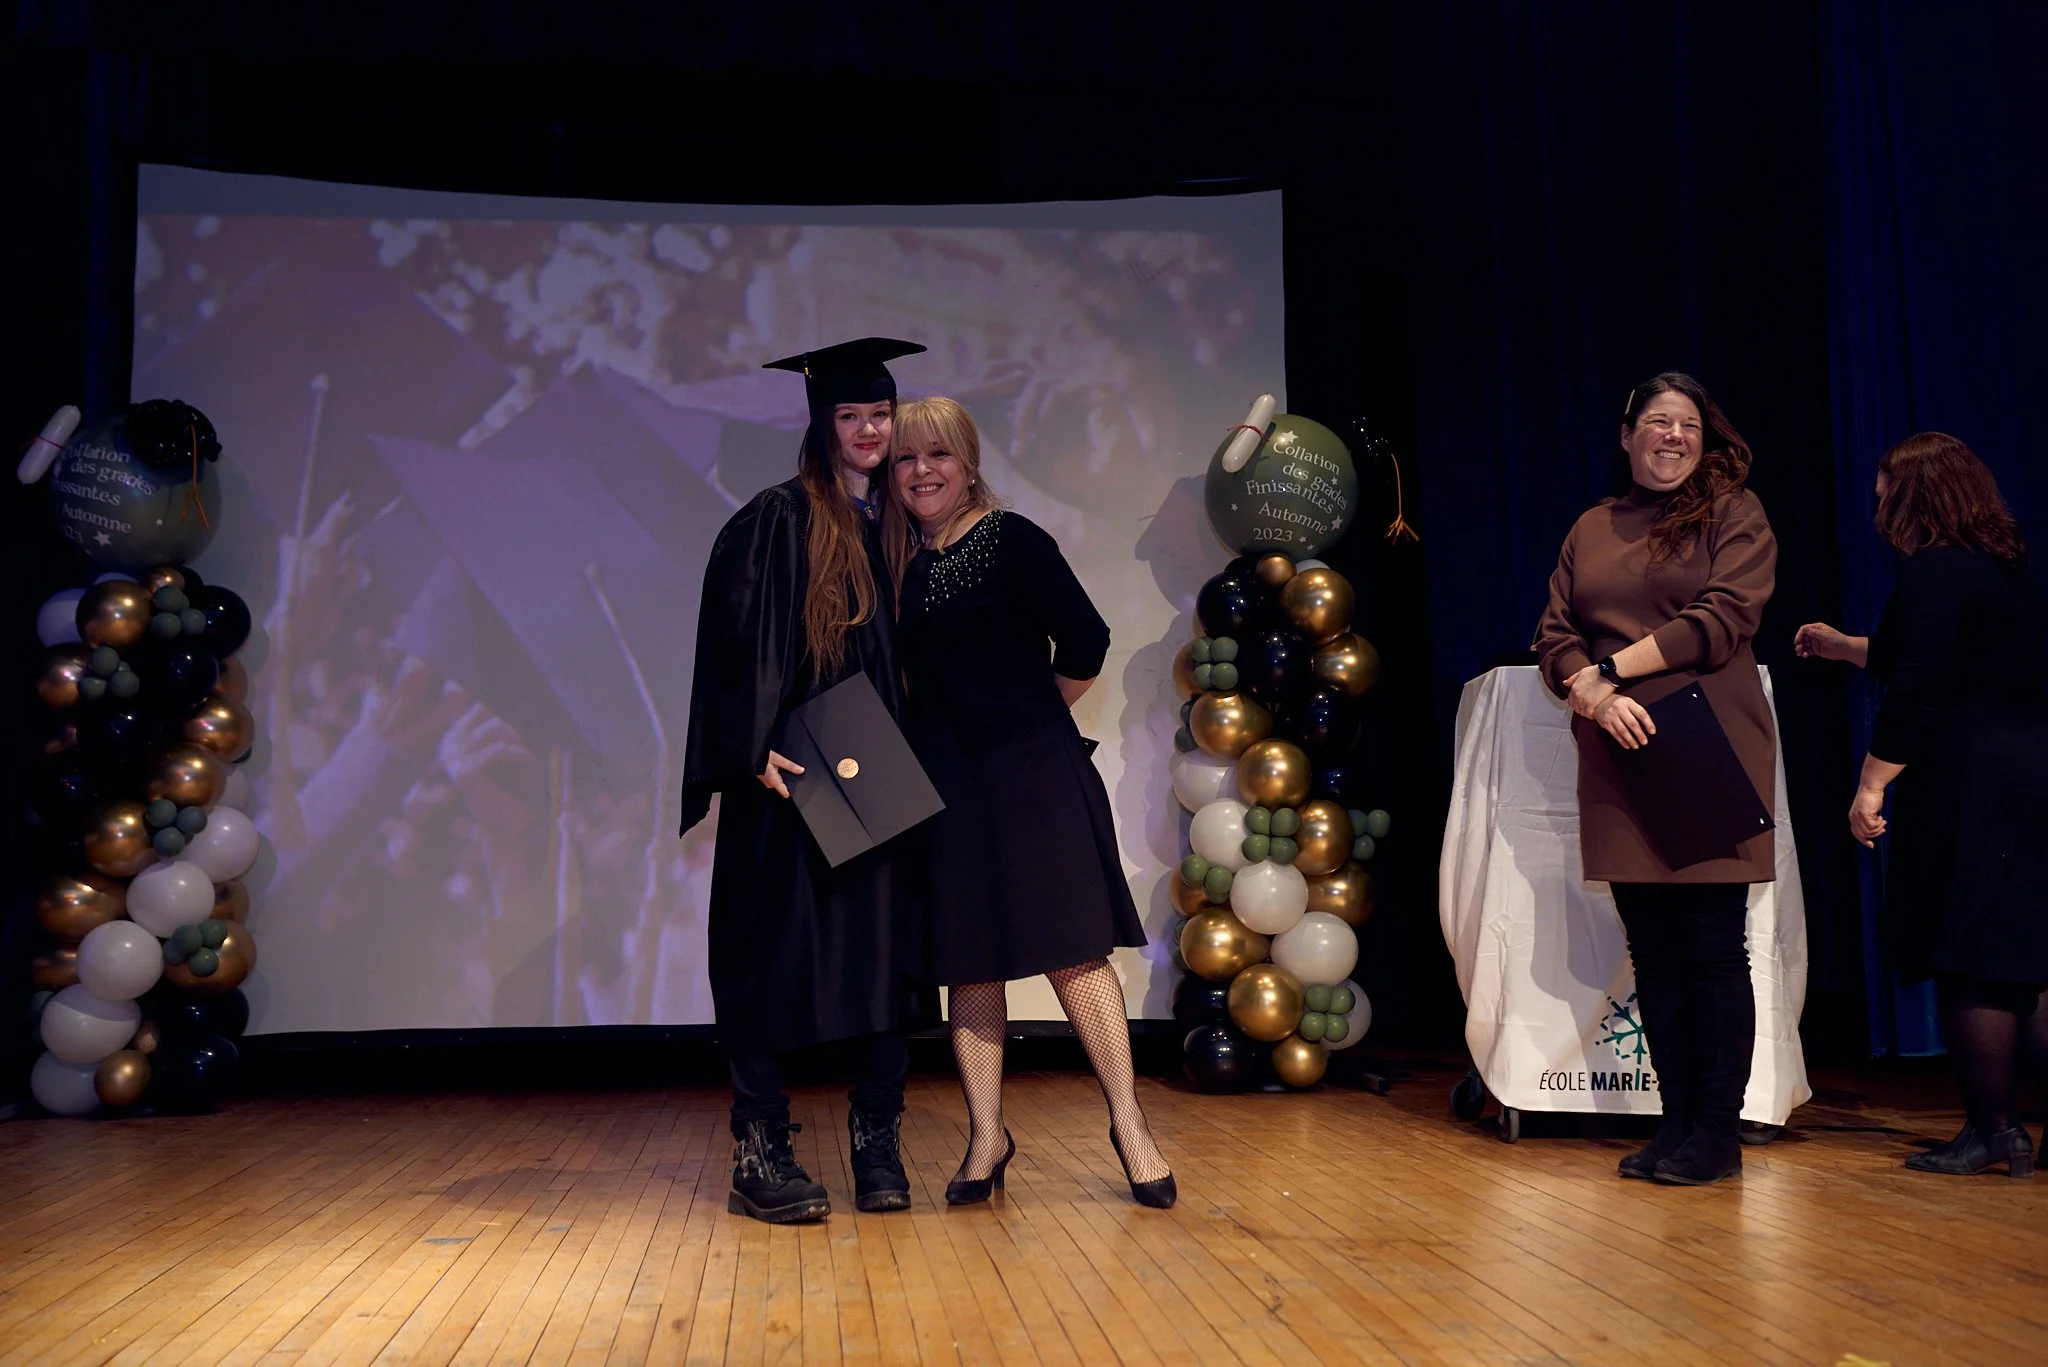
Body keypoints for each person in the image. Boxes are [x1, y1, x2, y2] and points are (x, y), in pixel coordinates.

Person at [880, 396, 1175, 1208]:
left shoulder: (1013, 540)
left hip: (1034, 778)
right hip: (948, 789)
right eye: (905, 459)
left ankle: (1130, 1124)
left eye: (937, 455)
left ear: (968, 462)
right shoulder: (905, 564)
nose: (921, 471)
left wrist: (1028, 723)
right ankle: (986, 1136)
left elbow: (1087, 641)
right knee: (968, 960)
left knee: (1074, 949)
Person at [681, 336, 936, 1223]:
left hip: (880, 778)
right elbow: (730, 648)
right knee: (766, 957)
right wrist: (747, 747)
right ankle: (760, 1149)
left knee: (882, 961)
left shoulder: (908, 525)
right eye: (851, 415)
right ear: (822, 424)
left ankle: (878, 1146)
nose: (869, 429)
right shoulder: (778, 519)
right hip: (791, 780)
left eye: (880, 413)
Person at [1533, 372, 1778, 1186]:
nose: (1673, 437)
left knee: (1713, 947)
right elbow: (1552, 637)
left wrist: (1608, 670)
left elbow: (1722, 619)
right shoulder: (1592, 526)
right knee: (1654, 950)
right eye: (1658, 422)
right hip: (1618, 754)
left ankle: (1716, 1134)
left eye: (1689, 427)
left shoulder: (1733, 515)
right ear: (1627, 432)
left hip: (1710, 746)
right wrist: (1596, 698)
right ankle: (1675, 1126)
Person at [1795, 432, 2048, 1178]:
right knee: (2024, 961)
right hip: (2030, 772)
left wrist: (1872, 783)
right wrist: (1844, 646)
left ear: (1914, 494)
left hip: (1975, 779)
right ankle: (2012, 1129)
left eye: (1882, 488)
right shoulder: (2001, 570)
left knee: (1969, 958)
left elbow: (1922, 686)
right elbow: (1925, 655)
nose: (1875, 502)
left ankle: (1992, 1129)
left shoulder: (1931, 571)